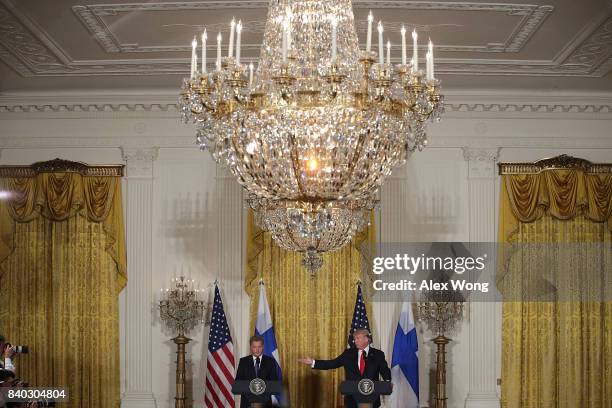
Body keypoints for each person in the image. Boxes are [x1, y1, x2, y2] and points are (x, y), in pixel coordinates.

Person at [298, 328, 391, 408]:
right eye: (354, 339)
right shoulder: (348, 354)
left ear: (367, 338)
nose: (355, 341)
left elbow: (384, 370)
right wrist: (313, 362)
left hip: (372, 399)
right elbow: (332, 363)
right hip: (352, 399)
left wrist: (387, 382)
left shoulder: (378, 354)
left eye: (358, 338)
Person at [235, 335, 279, 408]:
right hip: (247, 403)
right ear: (251, 348)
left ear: (263, 347)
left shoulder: (270, 362)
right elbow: (238, 383)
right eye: (254, 347)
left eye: (259, 347)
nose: (257, 350)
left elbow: (274, 383)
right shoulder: (243, 361)